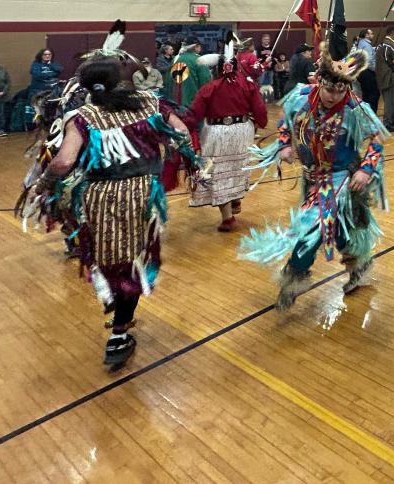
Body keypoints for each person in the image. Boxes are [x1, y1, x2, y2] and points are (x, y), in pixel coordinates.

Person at [22, 58, 200, 369]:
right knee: (133, 259)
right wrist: (178, 156)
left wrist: (42, 185)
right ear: (120, 81)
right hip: (143, 194)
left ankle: (118, 318)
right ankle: (120, 327)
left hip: (100, 196)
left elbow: (64, 162)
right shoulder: (148, 103)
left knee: (108, 258)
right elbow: (182, 131)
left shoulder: (83, 116)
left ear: (85, 88)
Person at [238, 42, 389, 323]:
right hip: (312, 176)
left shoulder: (356, 108)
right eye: (330, 89)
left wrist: (366, 170)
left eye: (341, 90)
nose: (334, 95)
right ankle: (359, 262)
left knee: (311, 227)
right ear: (319, 81)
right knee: (335, 229)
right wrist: (284, 144)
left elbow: (376, 138)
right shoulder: (301, 96)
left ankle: (293, 278)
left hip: (341, 178)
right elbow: (285, 117)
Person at [186, 41, 268, 232]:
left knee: (219, 172)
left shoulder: (209, 88)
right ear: (236, 66)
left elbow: (194, 114)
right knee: (238, 168)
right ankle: (236, 198)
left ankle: (228, 217)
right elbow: (259, 110)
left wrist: (185, 129)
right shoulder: (248, 85)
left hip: (216, 133)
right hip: (242, 132)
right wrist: (260, 122)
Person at [168, 38, 210, 110]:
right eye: (200, 46)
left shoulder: (175, 59)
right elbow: (205, 83)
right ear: (196, 46)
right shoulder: (200, 60)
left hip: (175, 105)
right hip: (193, 105)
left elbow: (168, 81)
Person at [375, 29, 394, 132]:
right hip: (387, 76)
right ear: (391, 34)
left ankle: (393, 119)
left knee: (390, 100)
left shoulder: (383, 44)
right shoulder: (390, 45)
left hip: (383, 76)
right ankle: (388, 122)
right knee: (388, 101)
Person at [355, 28, 380, 112]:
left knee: (366, 95)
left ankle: (366, 114)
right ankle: (372, 115)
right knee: (374, 94)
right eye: (371, 33)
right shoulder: (366, 45)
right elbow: (369, 61)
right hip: (368, 72)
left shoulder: (361, 43)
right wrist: (376, 70)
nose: (373, 35)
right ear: (366, 35)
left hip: (362, 72)